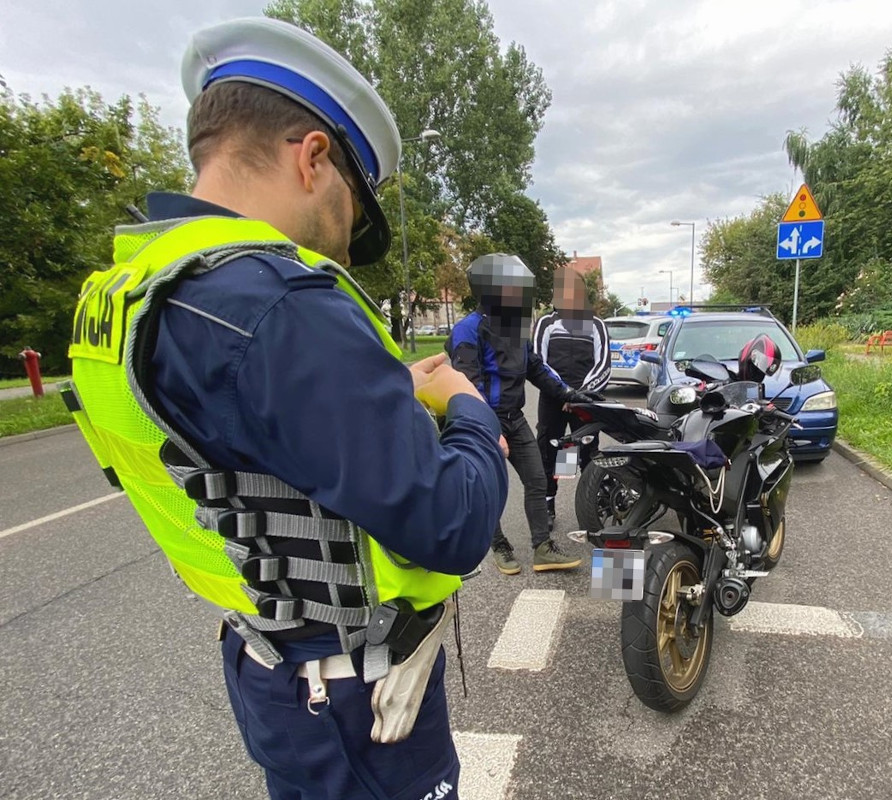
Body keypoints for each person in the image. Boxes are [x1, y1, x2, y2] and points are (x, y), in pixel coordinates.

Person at [63, 17, 507, 800]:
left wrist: (370, 400)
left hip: (267, 667)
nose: (342, 244)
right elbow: (453, 523)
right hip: (357, 702)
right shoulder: (279, 301)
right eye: (352, 212)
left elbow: (228, 445)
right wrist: (464, 406)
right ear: (312, 157)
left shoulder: (133, 289)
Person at [447, 254, 593, 575]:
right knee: (490, 486)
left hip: (514, 418)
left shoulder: (514, 330)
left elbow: (538, 370)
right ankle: (498, 545)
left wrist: (570, 395)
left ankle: (542, 547)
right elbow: (467, 383)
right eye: (515, 288)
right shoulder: (468, 331)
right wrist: (487, 429)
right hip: (483, 421)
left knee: (537, 479)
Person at [532, 268, 610, 529]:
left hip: (585, 405)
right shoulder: (545, 324)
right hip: (553, 402)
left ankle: (593, 506)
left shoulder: (596, 325)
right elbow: (538, 363)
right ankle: (547, 504)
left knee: (588, 455)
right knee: (548, 453)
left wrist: (580, 397)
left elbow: (604, 365)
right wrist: (563, 392)